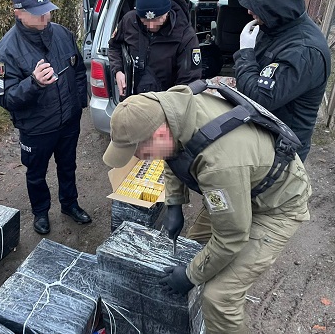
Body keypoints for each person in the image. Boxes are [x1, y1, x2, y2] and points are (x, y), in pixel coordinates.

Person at [103, 85, 311, 333]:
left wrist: (190, 276)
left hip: (276, 206)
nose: (141, 158)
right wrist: (174, 203)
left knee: (219, 297)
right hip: (242, 185)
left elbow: (232, 236)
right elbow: (172, 152)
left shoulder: (219, 166)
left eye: (139, 150)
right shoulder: (170, 109)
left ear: (159, 133)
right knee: (193, 250)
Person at [0, 0, 91, 235]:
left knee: (68, 166)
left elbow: (79, 70)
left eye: (47, 10)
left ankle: (69, 204)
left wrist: (79, 103)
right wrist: (34, 84)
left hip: (68, 121)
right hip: (36, 128)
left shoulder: (62, 34)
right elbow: (6, 98)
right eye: (38, 13)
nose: (46, 17)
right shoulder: (6, 51)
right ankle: (40, 212)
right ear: (19, 13)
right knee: (36, 174)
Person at [232, 0, 331, 161]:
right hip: (262, 137)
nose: (249, 11)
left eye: (256, 5)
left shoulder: (304, 51)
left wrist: (245, 53)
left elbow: (260, 100)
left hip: (281, 151)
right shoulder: (275, 27)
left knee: (263, 193)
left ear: (275, 4)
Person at [108, 0, 202, 97]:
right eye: (145, 20)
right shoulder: (129, 21)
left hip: (168, 103)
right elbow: (114, 46)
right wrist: (118, 71)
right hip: (133, 99)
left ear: (167, 11)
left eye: (157, 19)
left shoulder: (185, 35)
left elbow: (189, 83)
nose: (151, 25)